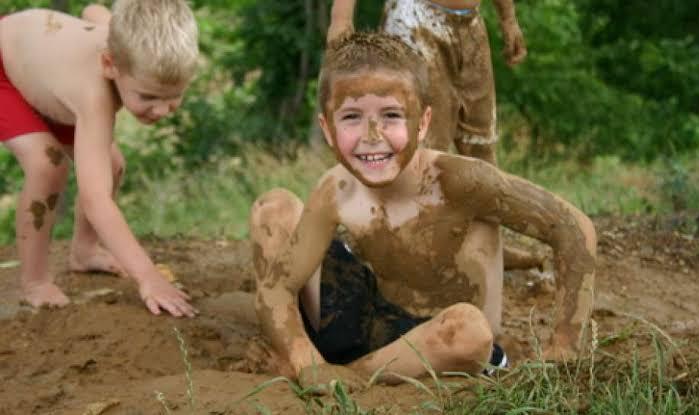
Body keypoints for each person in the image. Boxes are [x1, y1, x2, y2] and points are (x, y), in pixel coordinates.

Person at [251, 32, 596, 389]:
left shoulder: (460, 182)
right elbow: (278, 288)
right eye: (352, 116)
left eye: (391, 115)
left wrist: (564, 349)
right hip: (366, 324)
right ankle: (307, 362)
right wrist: (306, 360)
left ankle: (352, 378)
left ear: (424, 122)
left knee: (468, 330)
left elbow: (573, 229)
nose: (372, 134)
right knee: (273, 207)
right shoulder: (337, 189)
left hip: (447, 344)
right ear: (327, 128)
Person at [0, 0, 198, 317]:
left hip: (47, 86)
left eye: (174, 95)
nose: (161, 110)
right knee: (48, 165)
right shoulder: (95, 94)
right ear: (109, 65)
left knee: (112, 165)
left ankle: (85, 251)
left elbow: (92, 10)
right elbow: (96, 200)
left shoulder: (124, 39)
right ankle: (34, 282)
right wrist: (149, 277)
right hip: (5, 71)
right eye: (147, 96)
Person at [329, 0, 541, 272]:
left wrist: (508, 19)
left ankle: (487, 243)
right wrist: (341, 19)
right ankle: (399, 244)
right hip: (414, 21)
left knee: (481, 143)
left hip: (471, 25)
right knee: (419, 143)